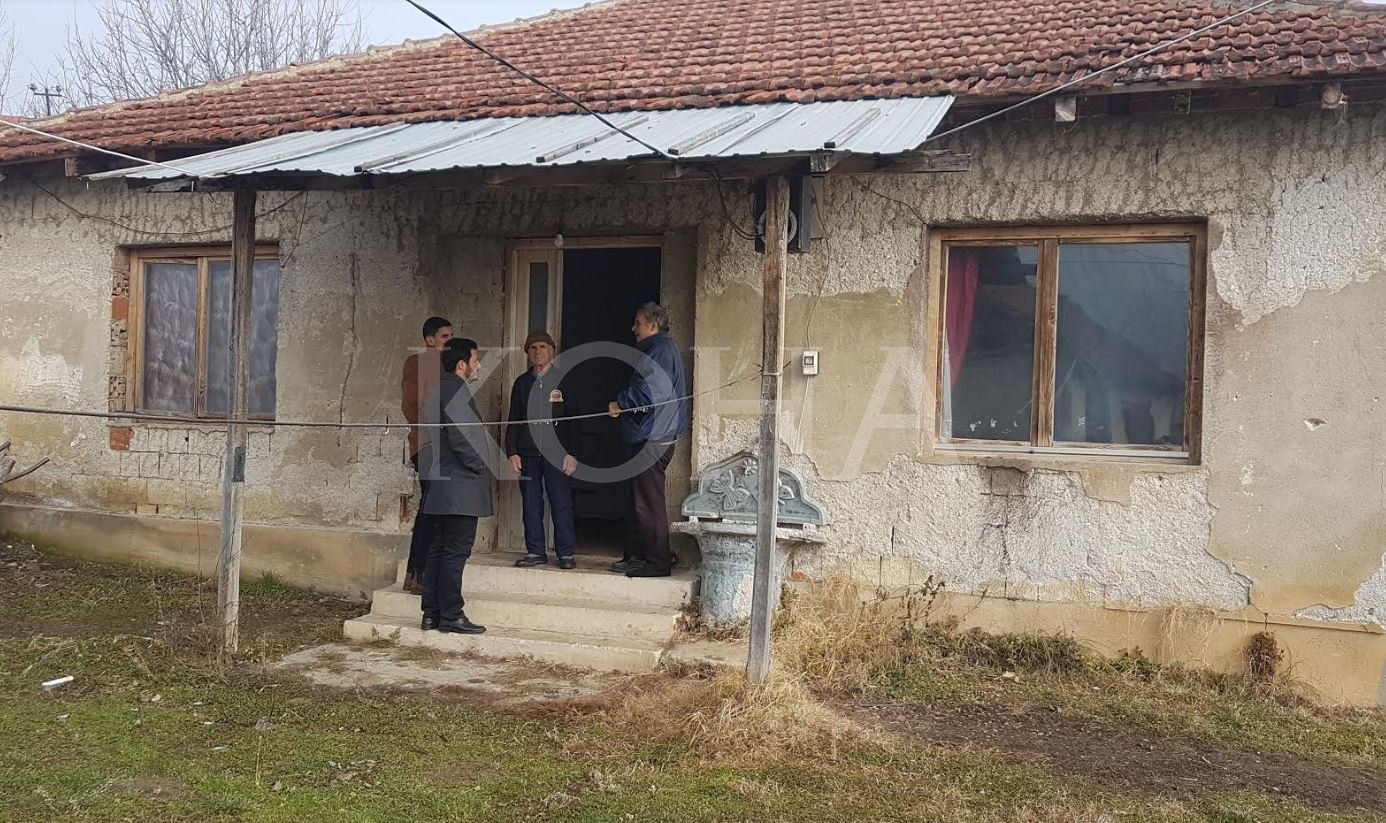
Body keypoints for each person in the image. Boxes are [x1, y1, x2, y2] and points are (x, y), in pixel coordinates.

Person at [608, 302, 689, 578]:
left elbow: (652, 393)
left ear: (653, 325)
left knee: (647, 502)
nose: (634, 328)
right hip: (647, 436)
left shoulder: (661, 350)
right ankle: (637, 557)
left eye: (638, 323)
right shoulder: (655, 349)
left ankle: (657, 562)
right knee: (636, 501)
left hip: (653, 438)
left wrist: (622, 402)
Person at [418, 337, 492, 634]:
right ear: (462, 364)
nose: (479, 366)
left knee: (438, 549)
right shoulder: (456, 391)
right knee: (454, 553)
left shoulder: (441, 389)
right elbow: (461, 438)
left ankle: (431, 614)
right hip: (459, 485)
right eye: (476, 360)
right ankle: (451, 615)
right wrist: (481, 466)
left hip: (442, 483)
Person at [506, 331, 579, 570]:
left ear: (552, 351)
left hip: (557, 454)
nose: (538, 352)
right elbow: (514, 420)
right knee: (531, 503)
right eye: (533, 348)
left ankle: (565, 553)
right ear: (527, 353)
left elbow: (575, 421)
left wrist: (572, 453)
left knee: (561, 502)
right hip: (528, 453)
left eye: (543, 347)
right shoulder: (522, 383)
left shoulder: (564, 380)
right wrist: (512, 451)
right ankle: (535, 551)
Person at [400, 316, 453, 595]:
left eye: (451, 337)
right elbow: (411, 404)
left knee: (429, 510)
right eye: (445, 337)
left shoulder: (447, 365)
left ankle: (414, 573)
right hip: (427, 445)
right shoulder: (418, 363)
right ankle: (420, 575)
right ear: (429, 339)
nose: (449, 342)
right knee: (432, 510)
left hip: (441, 445)